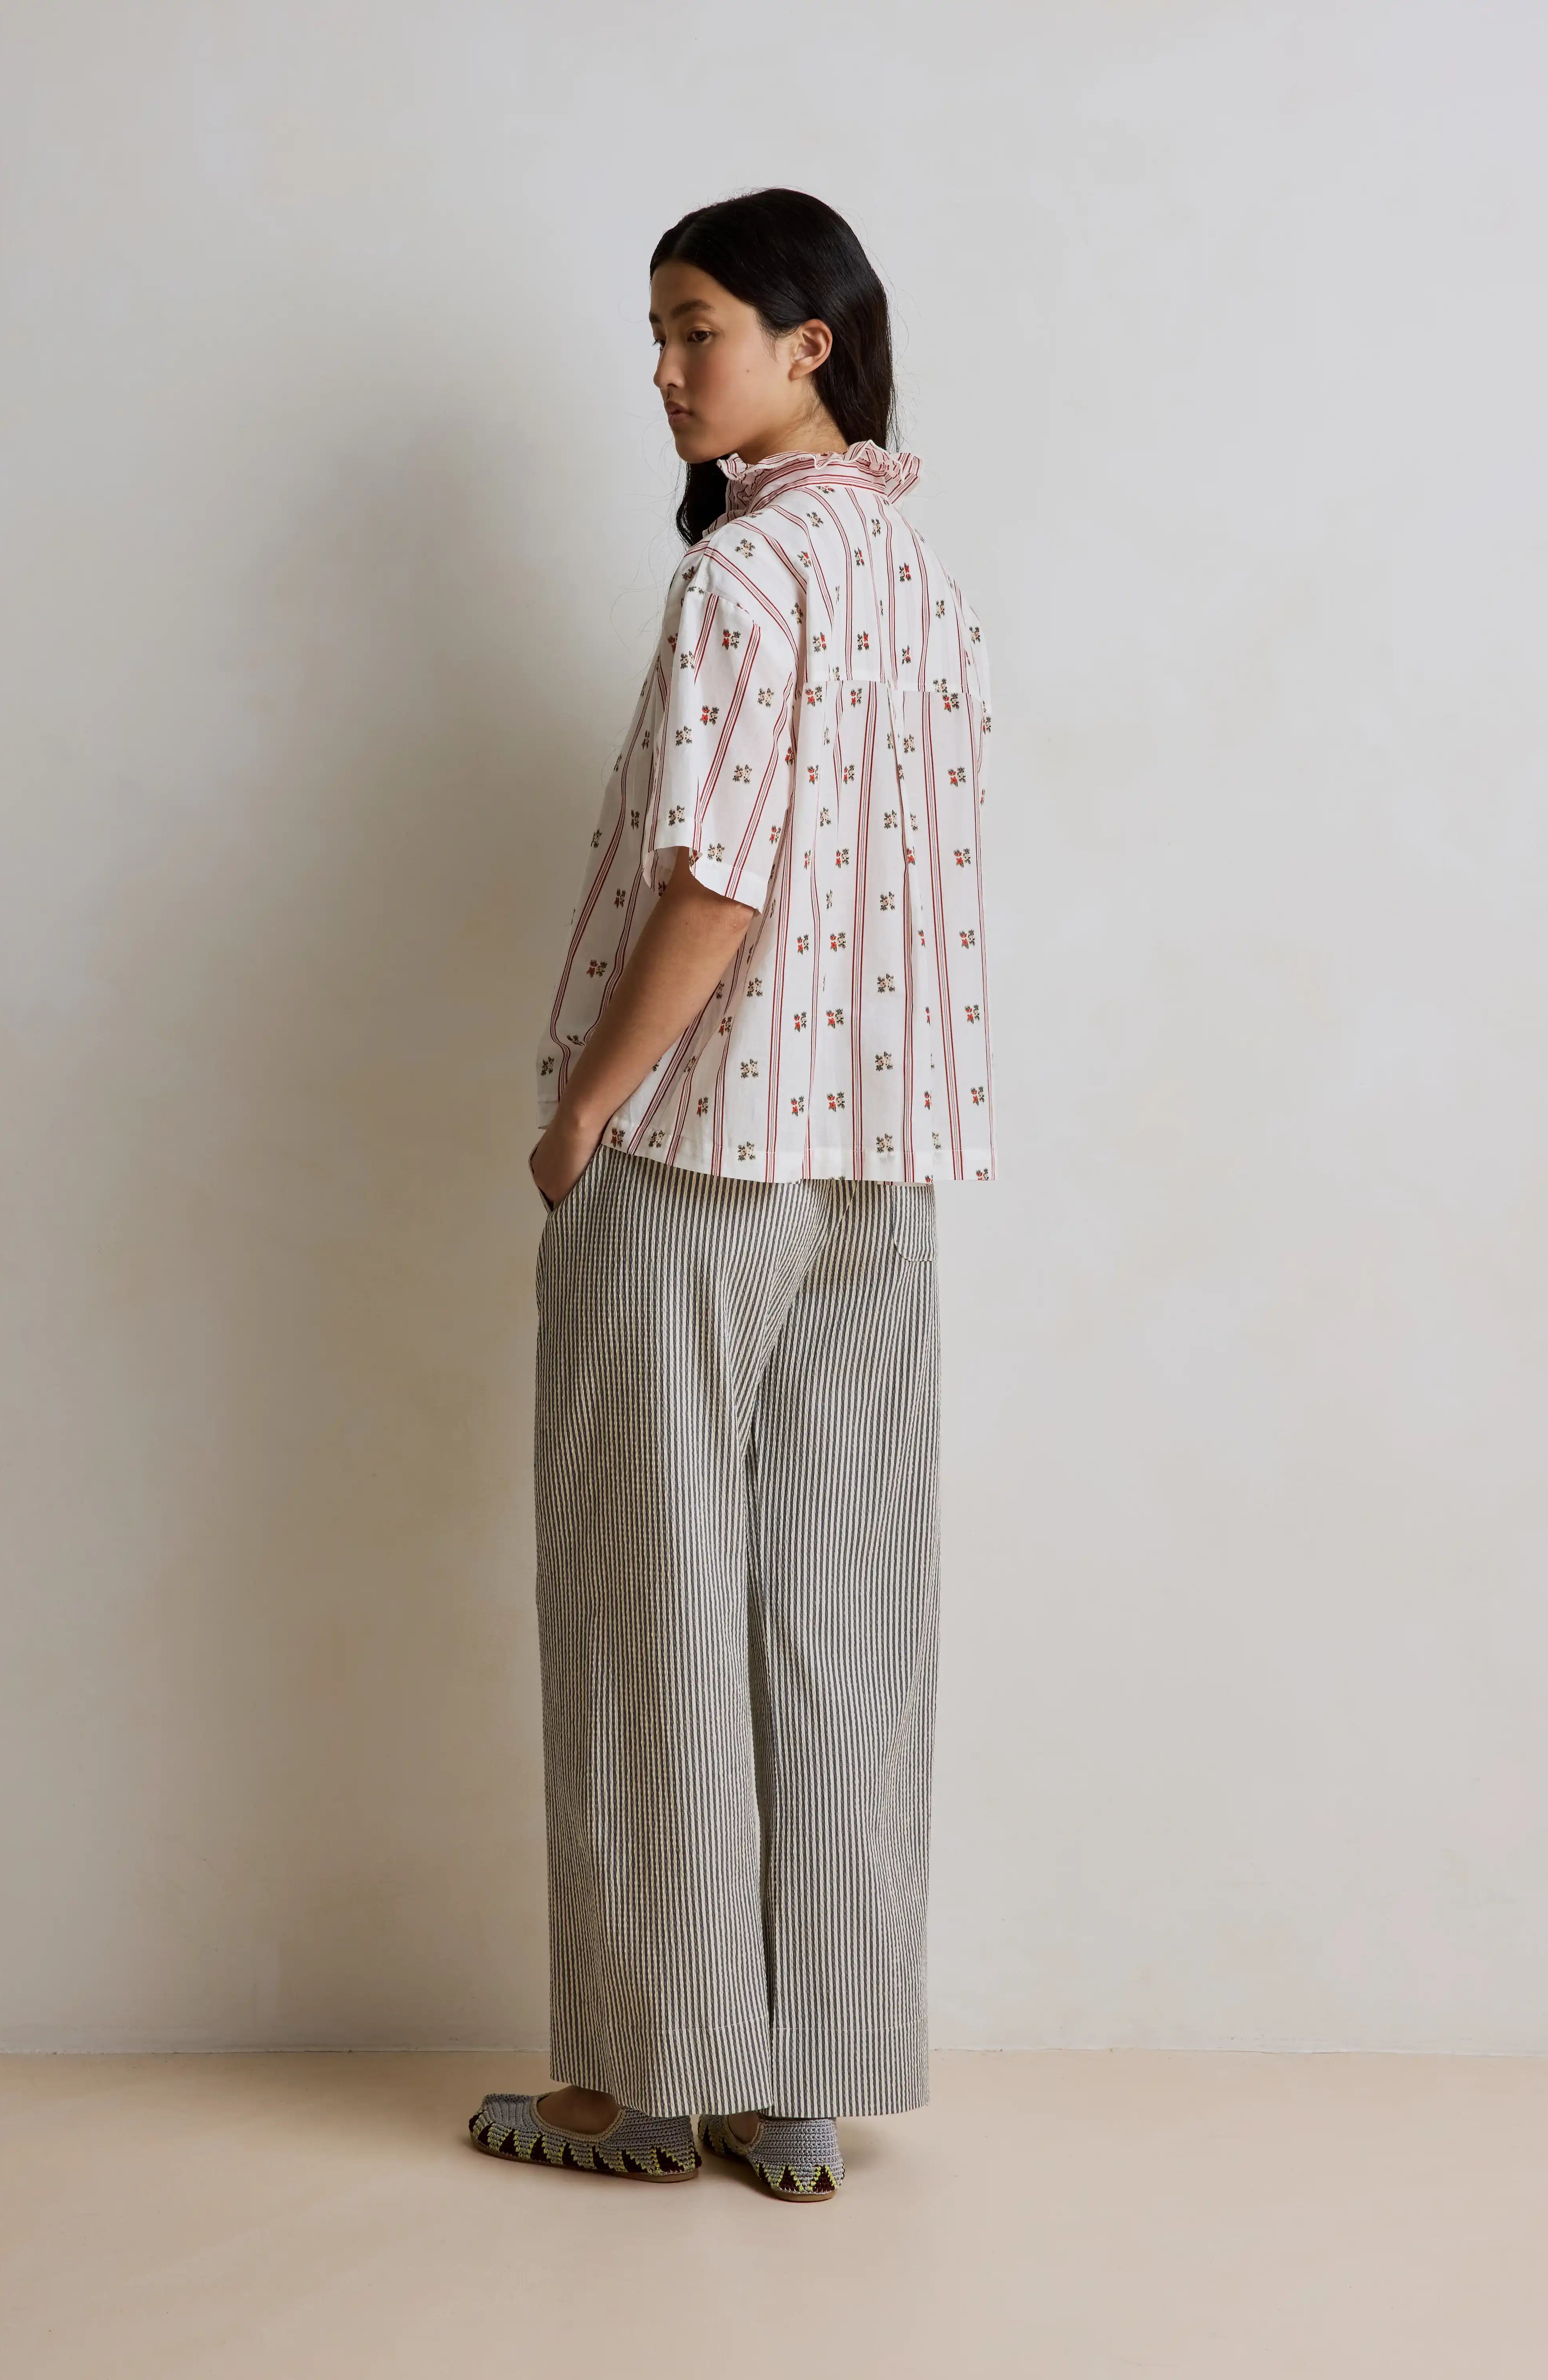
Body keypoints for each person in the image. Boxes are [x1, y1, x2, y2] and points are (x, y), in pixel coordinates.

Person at [469, 186, 996, 2203]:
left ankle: (639, 2083)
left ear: (810, 344)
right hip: (877, 1163)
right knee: (845, 1605)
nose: (667, 370)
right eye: (660, 333)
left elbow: (718, 880)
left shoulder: (746, 578)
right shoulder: (916, 572)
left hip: (702, 1152)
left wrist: (584, 1113)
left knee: (646, 1602)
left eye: (698, 328)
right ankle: (806, 2081)